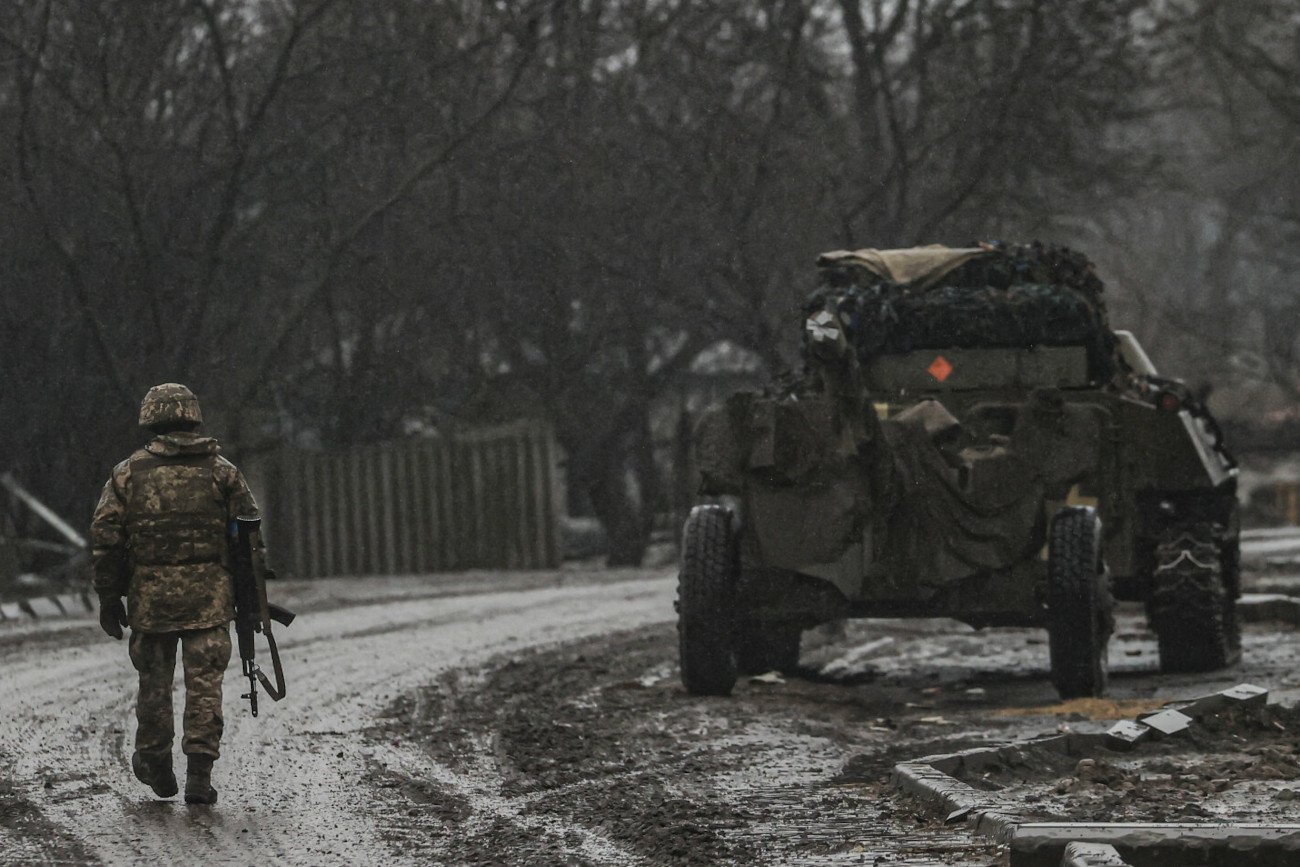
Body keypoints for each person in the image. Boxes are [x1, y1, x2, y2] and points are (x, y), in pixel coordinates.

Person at [90, 383, 259, 805]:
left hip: (151, 602)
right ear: (193, 416)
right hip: (210, 601)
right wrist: (249, 597)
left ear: (151, 419)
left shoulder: (127, 473)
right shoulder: (223, 471)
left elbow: (106, 539)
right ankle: (199, 775)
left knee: (154, 685)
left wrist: (109, 598)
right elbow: (250, 541)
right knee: (204, 687)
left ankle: (155, 762)